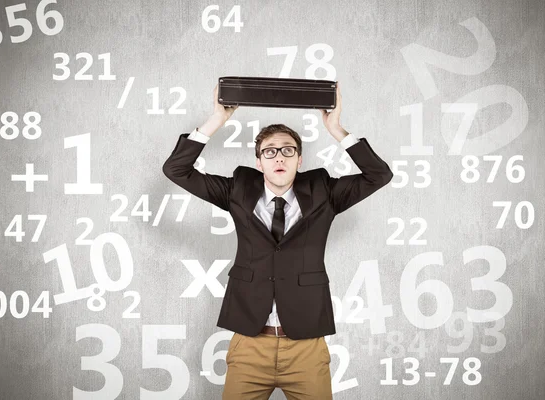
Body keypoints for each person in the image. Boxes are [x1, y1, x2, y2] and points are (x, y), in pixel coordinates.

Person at [162, 82, 393, 399]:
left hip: (306, 348)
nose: (279, 156)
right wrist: (218, 118)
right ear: (259, 163)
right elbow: (176, 169)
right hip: (249, 345)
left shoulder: (324, 192)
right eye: (269, 151)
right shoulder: (237, 191)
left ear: (299, 160)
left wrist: (336, 128)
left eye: (288, 150)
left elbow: (378, 175)